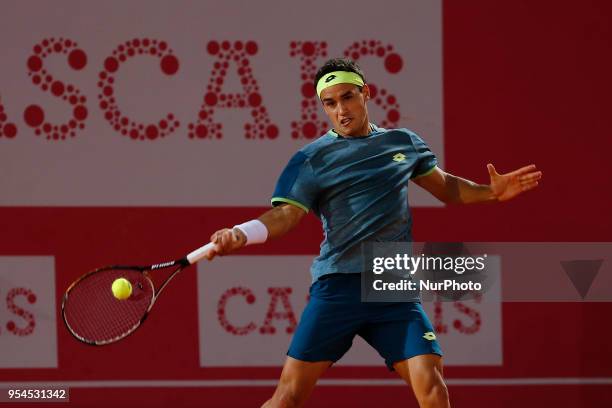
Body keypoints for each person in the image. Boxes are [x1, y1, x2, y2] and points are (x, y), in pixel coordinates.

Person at [206, 58, 542, 408]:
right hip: (339, 285)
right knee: (288, 397)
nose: (341, 110)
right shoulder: (312, 159)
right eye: (330, 103)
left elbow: (446, 188)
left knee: (434, 388)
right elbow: (287, 215)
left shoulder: (402, 144)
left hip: (391, 284)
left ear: (366, 94)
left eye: (348, 97)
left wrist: (491, 193)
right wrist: (241, 233)